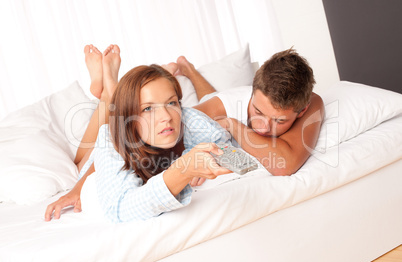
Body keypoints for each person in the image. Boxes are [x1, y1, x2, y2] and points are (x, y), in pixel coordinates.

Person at [44, 45, 231, 222]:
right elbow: (119, 208)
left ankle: (111, 94)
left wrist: (205, 156)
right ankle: (108, 96)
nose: (166, 117)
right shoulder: (110, 138)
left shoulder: (189, 119)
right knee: (79, 163)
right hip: (105, 146)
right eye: (148, 108)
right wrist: (77, 188)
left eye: (172, 103)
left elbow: (224, 142)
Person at [174, 48, 325, 176]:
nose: (263, 127)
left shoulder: (311, 103)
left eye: (279, 121)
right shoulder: (222, 105)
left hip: (228, 110)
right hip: (222, 102)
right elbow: (168, 142)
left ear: (302, 110)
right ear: (253, 85)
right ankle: (189, 71)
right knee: (210, 98)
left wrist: (231, 125)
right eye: (258, 112)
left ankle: (190, 70)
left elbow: (284, 164)